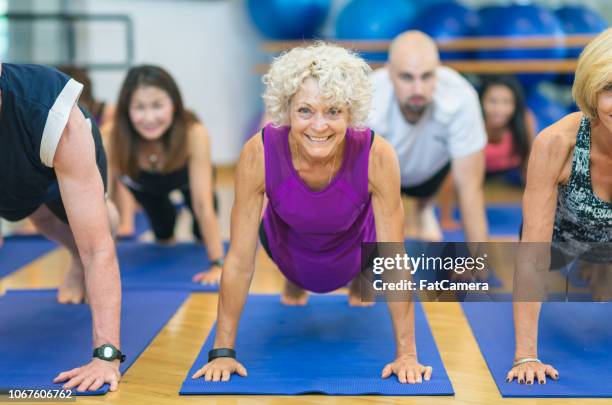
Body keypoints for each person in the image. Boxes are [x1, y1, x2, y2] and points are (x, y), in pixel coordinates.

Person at [191, 43, 432, 383]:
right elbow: (240, 260)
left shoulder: (378, 155)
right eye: (305, 111)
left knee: (364, 254)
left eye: (333, 111)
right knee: (298, 262)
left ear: (351, 114)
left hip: (356, 247)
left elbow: (394, 258)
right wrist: (223, 353)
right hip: (284, 245)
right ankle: (296, 278)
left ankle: (354, 278)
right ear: (286, 110)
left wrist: (407, 354)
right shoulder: (258, 152)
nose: (319, 126)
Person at [0, 63, 123, 391]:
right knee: (40, 217)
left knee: (98, 227)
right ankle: (72, 259)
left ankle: (103, 215)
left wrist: (106, 356)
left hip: (54, 149)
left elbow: (98, 249)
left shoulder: (52, 114)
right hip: (16, 174)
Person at [509, 28, 612, 385]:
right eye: (610, 88)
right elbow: (533, 253)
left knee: (604, 291)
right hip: (557, 241)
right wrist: (526, 355)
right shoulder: (557, 143)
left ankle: (599, 271)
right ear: (592, 90)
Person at [104, 65, 224, 284]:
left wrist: (217, 263)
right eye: (139, 107)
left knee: (201, 230)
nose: (149, 118)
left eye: (157, 106)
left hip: (185, 179)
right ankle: (166, 217)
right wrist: (95, 266)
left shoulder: (193, 132)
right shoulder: (112, 136)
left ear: (174, 105)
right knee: (163, 232)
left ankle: (198, 233)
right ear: (126, 109)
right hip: (145, 185)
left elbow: (202, 203)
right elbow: (103, 202)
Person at [368, 31, 488, 242]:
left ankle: (425, 208)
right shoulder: (368, 98)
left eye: (426, 76)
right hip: (381, 177)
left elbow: (469, 189)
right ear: (389, 72)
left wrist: (477, 261)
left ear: (438, 71)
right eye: (406, 77)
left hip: (431, 177)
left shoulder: (460, 97)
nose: (418, 89)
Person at [438, 75, 537, 228]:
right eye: (493, 102)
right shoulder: (471, 120)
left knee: (535, 171)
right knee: (451, 173)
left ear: (515, 105)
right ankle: (445, 217)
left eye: (506, 102)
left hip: (508, 165)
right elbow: (451, 174)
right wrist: (446, 219)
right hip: (477, 167)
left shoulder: (525, 120)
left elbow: (530, 161)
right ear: (481, 102)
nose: (499, 109)